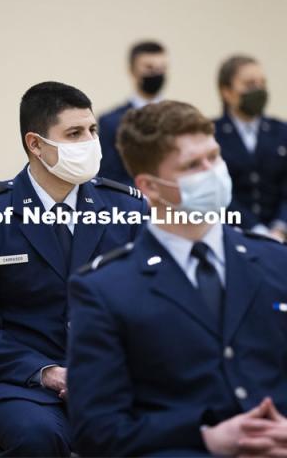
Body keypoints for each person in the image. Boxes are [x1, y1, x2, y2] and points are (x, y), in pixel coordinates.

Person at [68, 100, 287, 457]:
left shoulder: (277, 261)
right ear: (150, 187)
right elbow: (98, 430)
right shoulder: (105, 290)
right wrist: (206, 437)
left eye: (214, 158)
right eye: (192, 166)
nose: (212, 172)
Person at [0, 81, 148, 457]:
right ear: (35, 144)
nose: (89, 143)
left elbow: (151, 308)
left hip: (113, 379)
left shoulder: (128, 209)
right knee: (40, 438)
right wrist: (49, 373)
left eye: (92, 131)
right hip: (20, 385)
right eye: (74, 134)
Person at [214, 54, 287, 240]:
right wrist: (256, 230)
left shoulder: (281, 131)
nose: (258, 89)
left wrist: (280, 228)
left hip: (281, 235)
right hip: (232, 234)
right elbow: (216, 189)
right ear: (227, 91)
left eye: (262, 83)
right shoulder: (211, 134)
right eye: (249, 84)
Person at [98, 40, 168, 184]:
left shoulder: (180, 117)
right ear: (132, 70)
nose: (156, 73)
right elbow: (110, 177)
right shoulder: (111, 122)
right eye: (149, 67)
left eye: (162, 68)